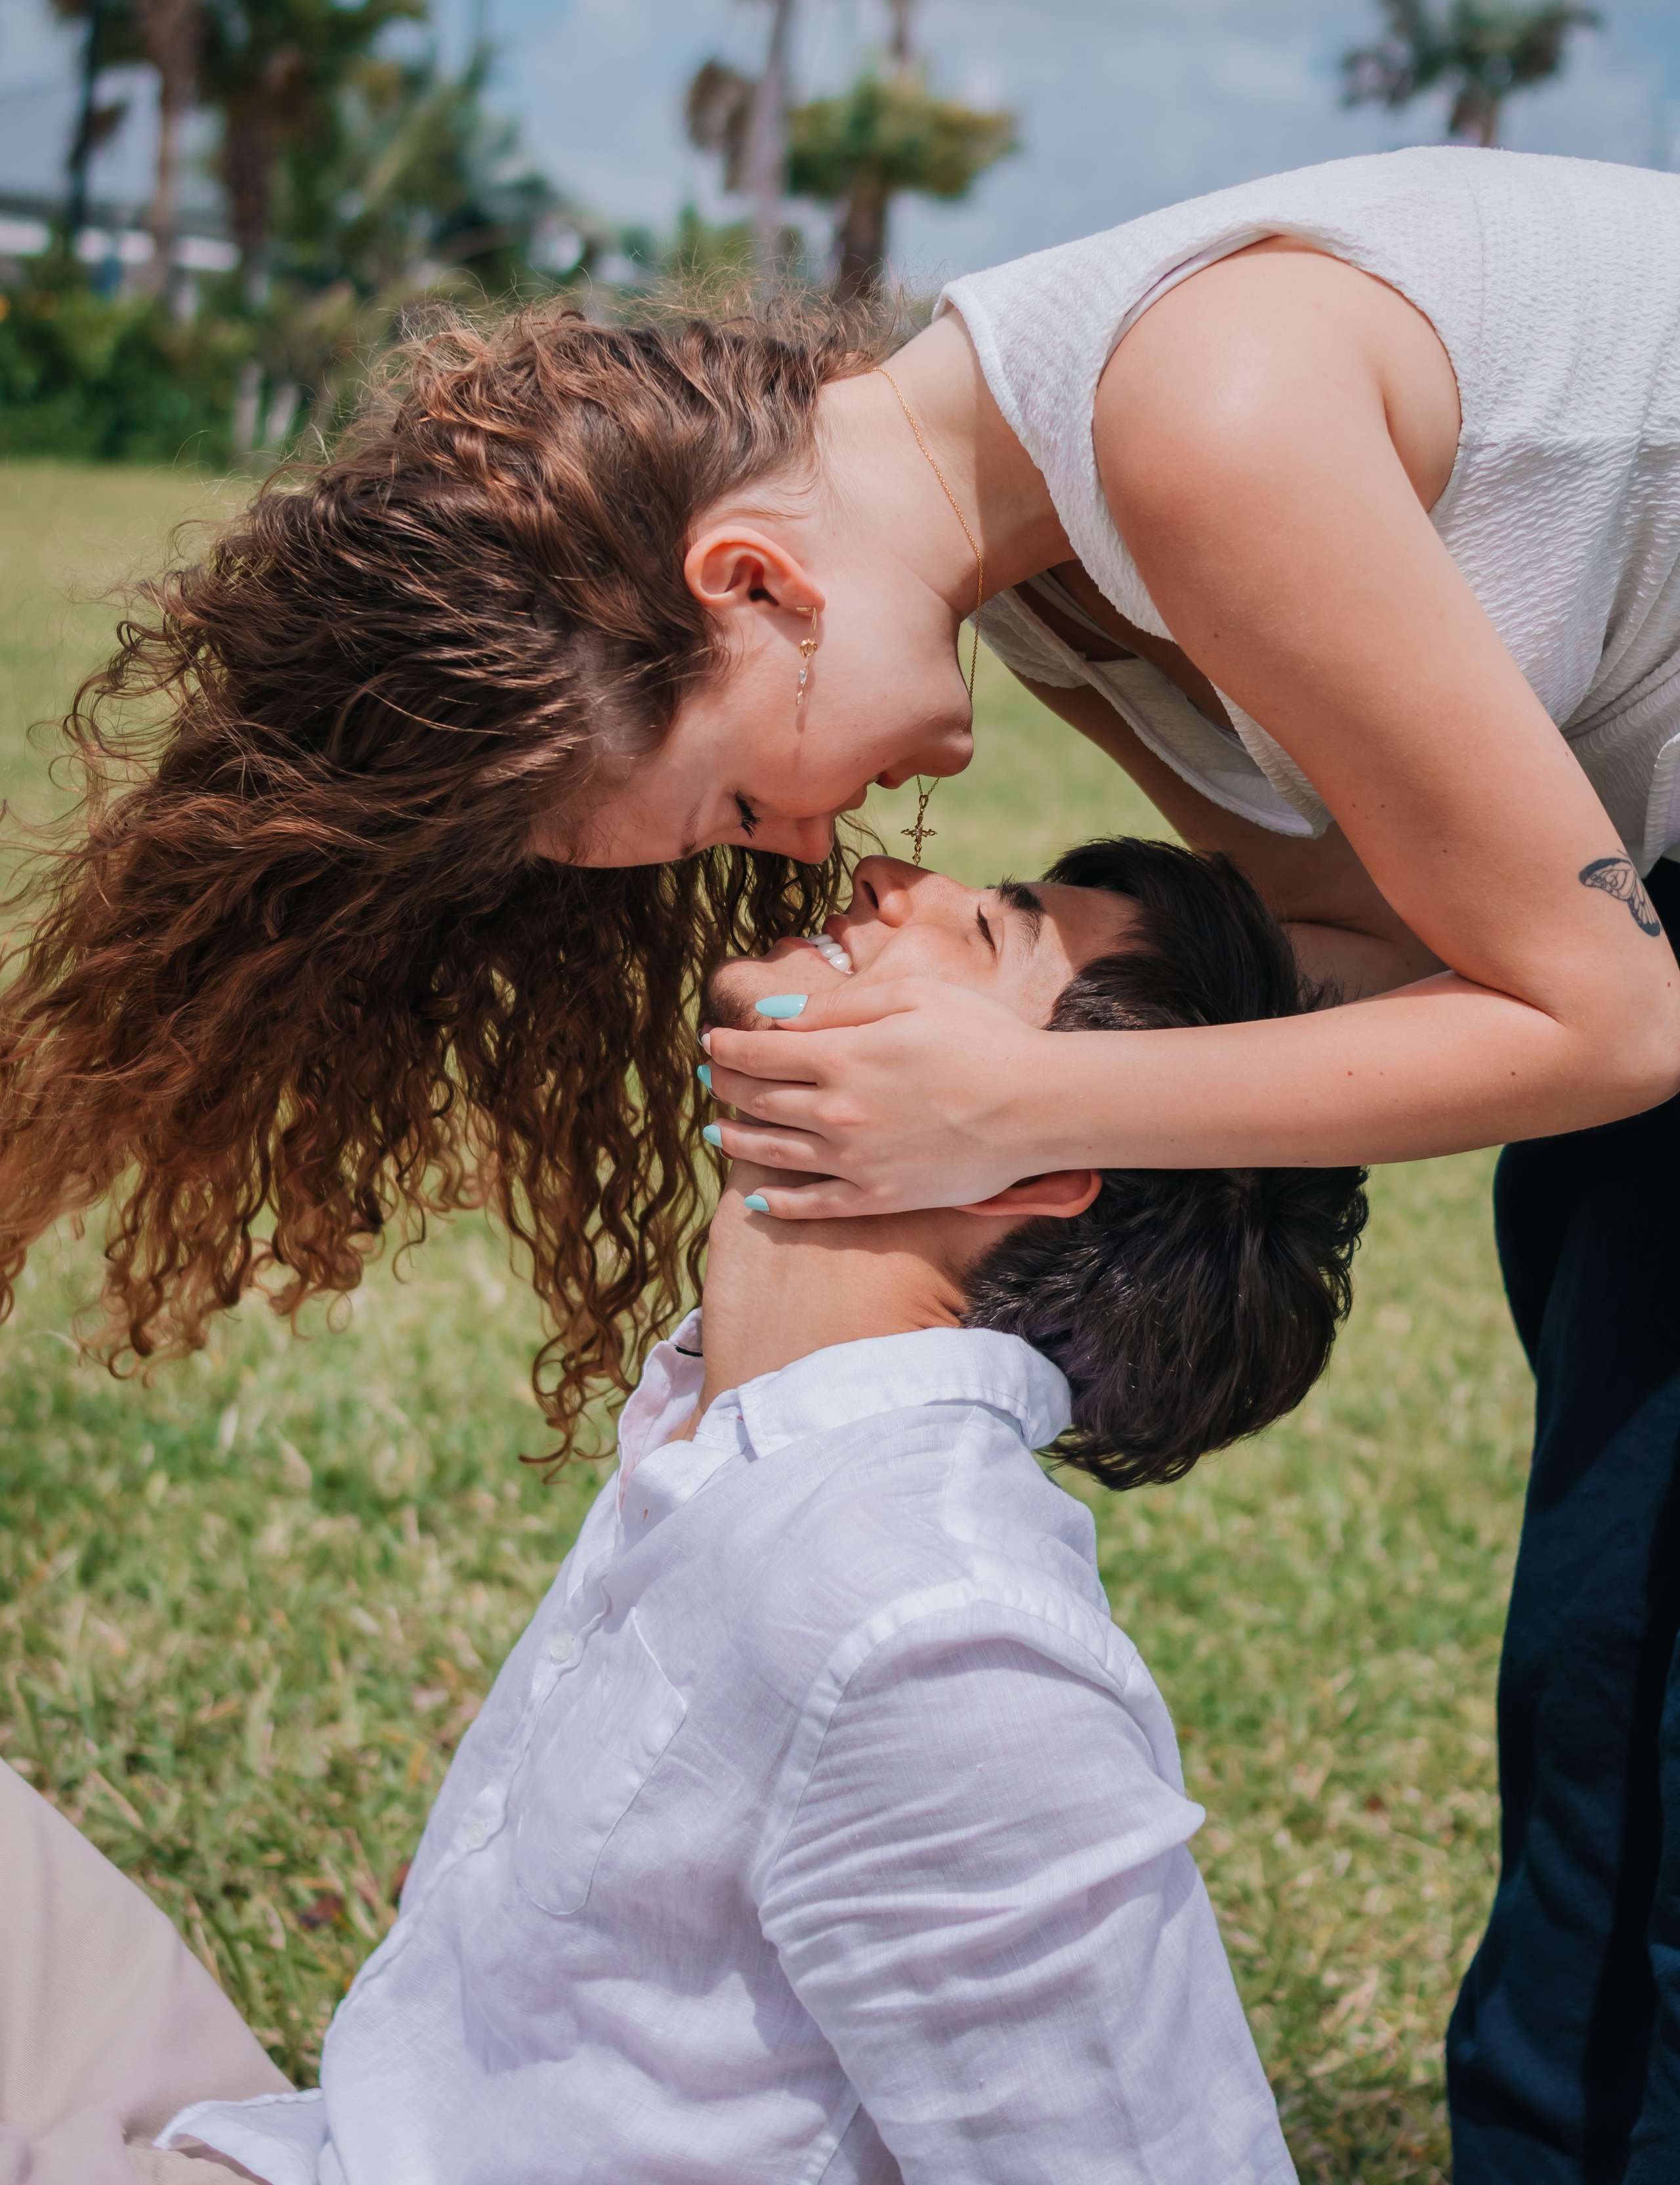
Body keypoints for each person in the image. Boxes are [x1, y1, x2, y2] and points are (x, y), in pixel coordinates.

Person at [5, 144, 1680, 2176]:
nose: (808, 854)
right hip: (1635, 909)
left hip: (1638, 964)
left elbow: (1613, 1024)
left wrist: (1023, 1107)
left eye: (730, 806)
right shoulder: (1050, 571)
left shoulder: (1200, 425)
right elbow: (1377, 942)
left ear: (750, 582)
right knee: (1606, 1683)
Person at [4, 838, 1367, 2185]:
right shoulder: (738, 1441)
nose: (894, 881)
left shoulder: (931, 1626)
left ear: (1029, 1165)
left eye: (983, 930)